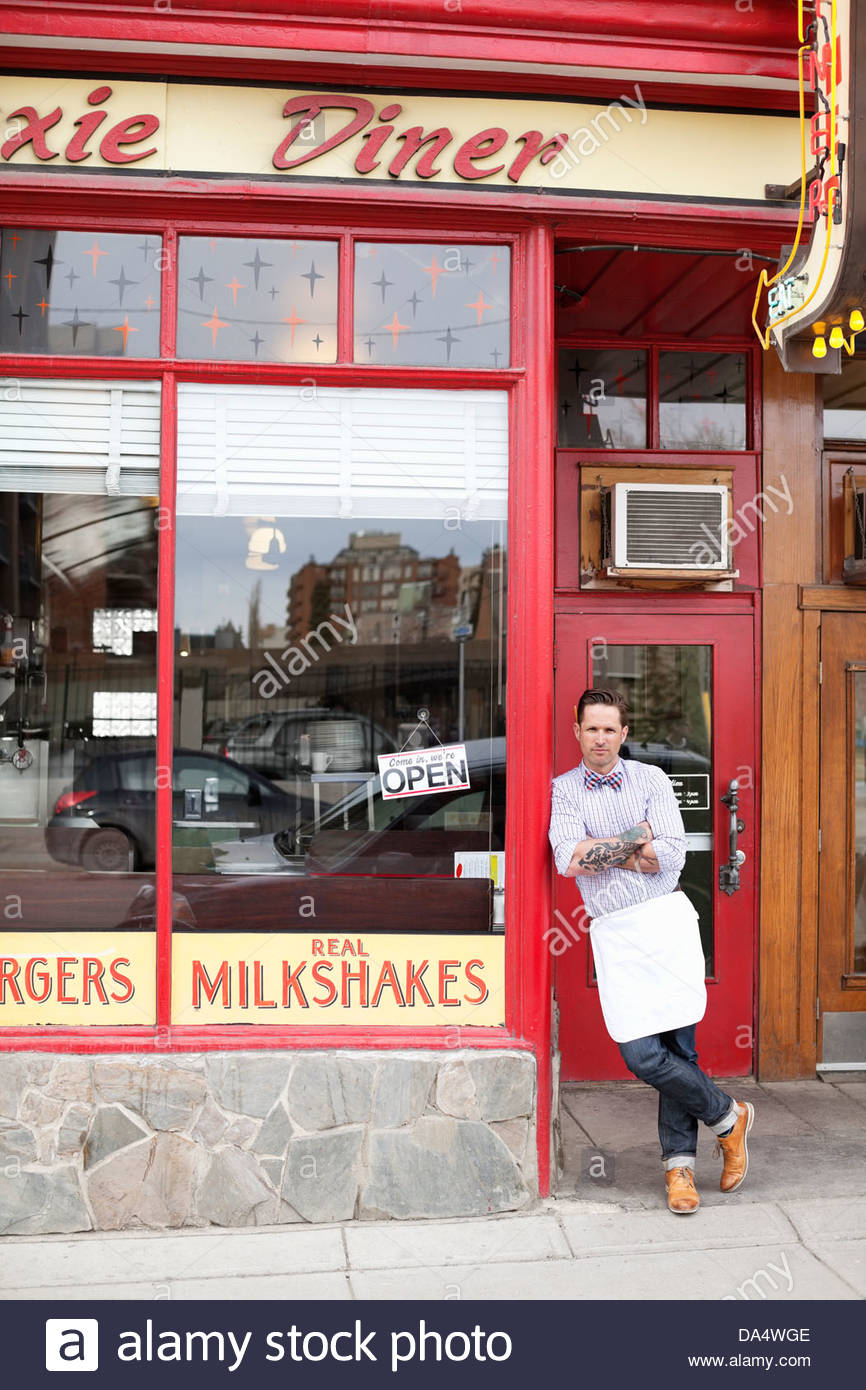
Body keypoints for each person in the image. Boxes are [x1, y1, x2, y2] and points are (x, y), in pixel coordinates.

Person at [548, 686, 754, 1215]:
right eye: (591, 728)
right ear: (577, 731)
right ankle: (729, 1118)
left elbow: (672, 856)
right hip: (614, 933)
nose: (600, 738)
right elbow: (569, 860)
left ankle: (678, 1171)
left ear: (624, 733)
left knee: (680, 1051)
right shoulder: (564, 790)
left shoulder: (652, 779)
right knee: (641, 1054)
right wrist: (634, 841)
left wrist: (608, 848)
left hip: (665, 923)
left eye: (609, 729)